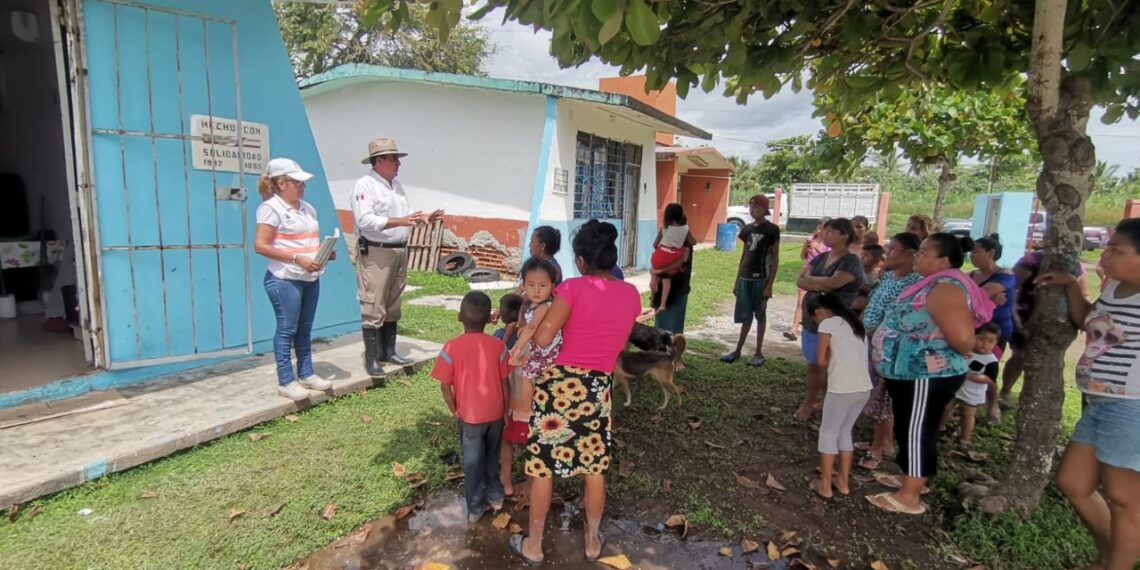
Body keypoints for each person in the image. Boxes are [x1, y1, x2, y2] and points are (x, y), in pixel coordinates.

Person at [508, 220, 641, 565]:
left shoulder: (571, 290)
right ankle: (593, 540)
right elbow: (617, 341)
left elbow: (541, 339)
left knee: (543, 468)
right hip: (598, 386)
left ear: (580, 261)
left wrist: (538, 318)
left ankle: (534, 545)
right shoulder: (630, 295)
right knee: (594, 467)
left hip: (558, 386)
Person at [1047, 219, 1140, 570]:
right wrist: (1072, 287)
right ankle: (1109, 556)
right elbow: (1090, 322)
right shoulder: (1115, 289)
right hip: (1098, 401)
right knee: (1073, 482)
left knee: (1123, 498)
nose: (1107, 254)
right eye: (1109, 246)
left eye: (1118, 250)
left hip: (1131, 406)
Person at [866, 233, 980, 515]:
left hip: (926, 375)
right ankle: (911, 477)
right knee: (910, 426)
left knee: (917, 430)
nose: (918, 255)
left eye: (925, 252)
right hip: (910, 374)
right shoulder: (930, 284)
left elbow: (964, 340)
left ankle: (910, 496)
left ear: (943, 261)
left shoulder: (946, 288)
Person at [351, 138, 443, 378]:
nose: (398, 164)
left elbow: (403, 215)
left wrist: (421, 218)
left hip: (399, 248)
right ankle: (371, 359)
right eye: (393, 159)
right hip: (377, 250)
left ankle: (387, 351)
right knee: (373, 303)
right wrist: (401, 221)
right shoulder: (365, 185)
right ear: (378, 160)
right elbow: (365, 220)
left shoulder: (396, 186)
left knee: (393, 302)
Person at [253, 158, 334, 401]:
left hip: (309, 276)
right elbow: (260, 245)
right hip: (285, 279)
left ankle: (307, 373)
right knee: (287, 328)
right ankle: (286, 380)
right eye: (296, 182)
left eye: (303, 183)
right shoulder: (271, 208)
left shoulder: (308, 209)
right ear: (281, 183)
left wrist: (324, 252)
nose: (302, 187)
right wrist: (297, 258)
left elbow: (305, 241)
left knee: (305, 328)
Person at [431, 291, 511, 524]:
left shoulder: (451, 347)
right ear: (489, 320)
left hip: (469, 417)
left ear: (459, 317)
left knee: (472, 462)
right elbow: (505, 382)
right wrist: (505, 411)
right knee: (492, 456)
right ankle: (496, 497)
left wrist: (453, 408)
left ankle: (475, 508)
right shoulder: (498, 346)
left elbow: (445, 385)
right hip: (495, 414)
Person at [858, 232, 923, 470]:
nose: (887, 252)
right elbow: (873, 303)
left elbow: (905, 318)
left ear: (910, 254)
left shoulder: (915, 284)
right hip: (872, 343)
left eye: (894, 249)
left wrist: (878, 332)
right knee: (874, 392)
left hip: (890, 350)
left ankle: (880, 447)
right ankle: (882, 441)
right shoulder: (888, 278)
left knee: (882, 398)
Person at [794, 218, 865, 421]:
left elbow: (834, 283)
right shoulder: (821, 257)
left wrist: (814, 282)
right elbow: (800, 279)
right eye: (827, 230)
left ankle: (818, 404)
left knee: (827, 364)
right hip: (812, 320)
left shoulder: (850, 261)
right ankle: (817, 401)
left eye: (832, 231)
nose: (826, 234)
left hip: (835, 322)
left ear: (844, 235)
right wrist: (820, 284)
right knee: (814, 362)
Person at [1002, 246, 1089, 406]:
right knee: (1020, 355)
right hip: (1025, 315)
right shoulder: (1032, 260)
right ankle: (1005, 392)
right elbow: (1011, 286)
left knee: (1044, 359)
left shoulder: (1077, 266)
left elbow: (1084, 293)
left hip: (1059, 321)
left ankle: (1029, 398)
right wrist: (1013, 311)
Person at [809, 292, 872, 499]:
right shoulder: (856, 325)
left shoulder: (827, 325)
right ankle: (843, 482)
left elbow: (820, 361)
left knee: (828, 433)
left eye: (814, 318)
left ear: (820, 312)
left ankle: (825, 485)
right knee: (845, 431)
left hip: (841, 387)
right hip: (863, 388)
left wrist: (828, 357)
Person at [721, 195, 781, 367]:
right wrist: (736, 281)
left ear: (764, 209)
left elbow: (775, 257)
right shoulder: (746, 230)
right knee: (745, 315)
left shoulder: (772, 230)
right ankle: (738, 350)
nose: (752, 210)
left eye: (756, 207)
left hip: (761, 278)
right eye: (751, 207)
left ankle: (758, 352)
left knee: (760, 315)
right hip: (745, 278)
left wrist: (769, 285)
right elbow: (744, 255)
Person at [968, 234, 1016, 421]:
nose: (971, 255)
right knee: (968, 366)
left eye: (976, 251)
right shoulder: (971, 275)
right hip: (973, 330)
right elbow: (963, 297)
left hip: (994, 334)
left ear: (991, 253)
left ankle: (992, 405)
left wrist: (980, 297)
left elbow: (978, 295)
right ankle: (965, 402)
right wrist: (984, 299)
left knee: (988, 369)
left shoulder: (1004, 274)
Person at [940, 323, 1001, 447]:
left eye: (990, 341)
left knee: (967, 415)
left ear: (995, 343)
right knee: (945, 407)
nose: (984, 344)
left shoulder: (991, 361)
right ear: (974, 336)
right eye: (981, 339)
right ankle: (940, 427)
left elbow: (989, 379)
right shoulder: (966, 350)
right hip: (956, 387)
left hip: (973, 392)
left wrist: (968, 376)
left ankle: (965, 439)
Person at [785, 217, 831, 341]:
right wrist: (806, 246)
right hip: (806, 274)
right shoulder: (812, 239)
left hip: (820, 277)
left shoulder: (829, 244)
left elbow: (828, 259)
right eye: (820, 227)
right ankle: (794, 329)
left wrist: (817, 248)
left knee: (817, 304)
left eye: (824, 228)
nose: (821, 230)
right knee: (800, 302)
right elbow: (802, 256)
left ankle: (815, 330)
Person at [649, 204, 696, 314]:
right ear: (681, 215)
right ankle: (663, 304)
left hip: (660, 255)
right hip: (673, 256)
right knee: (667, 278)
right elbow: (693, 241)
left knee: (655, 273)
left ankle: (653, 296)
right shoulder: (685, 229)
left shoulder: (663, 228)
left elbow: (655, 244)